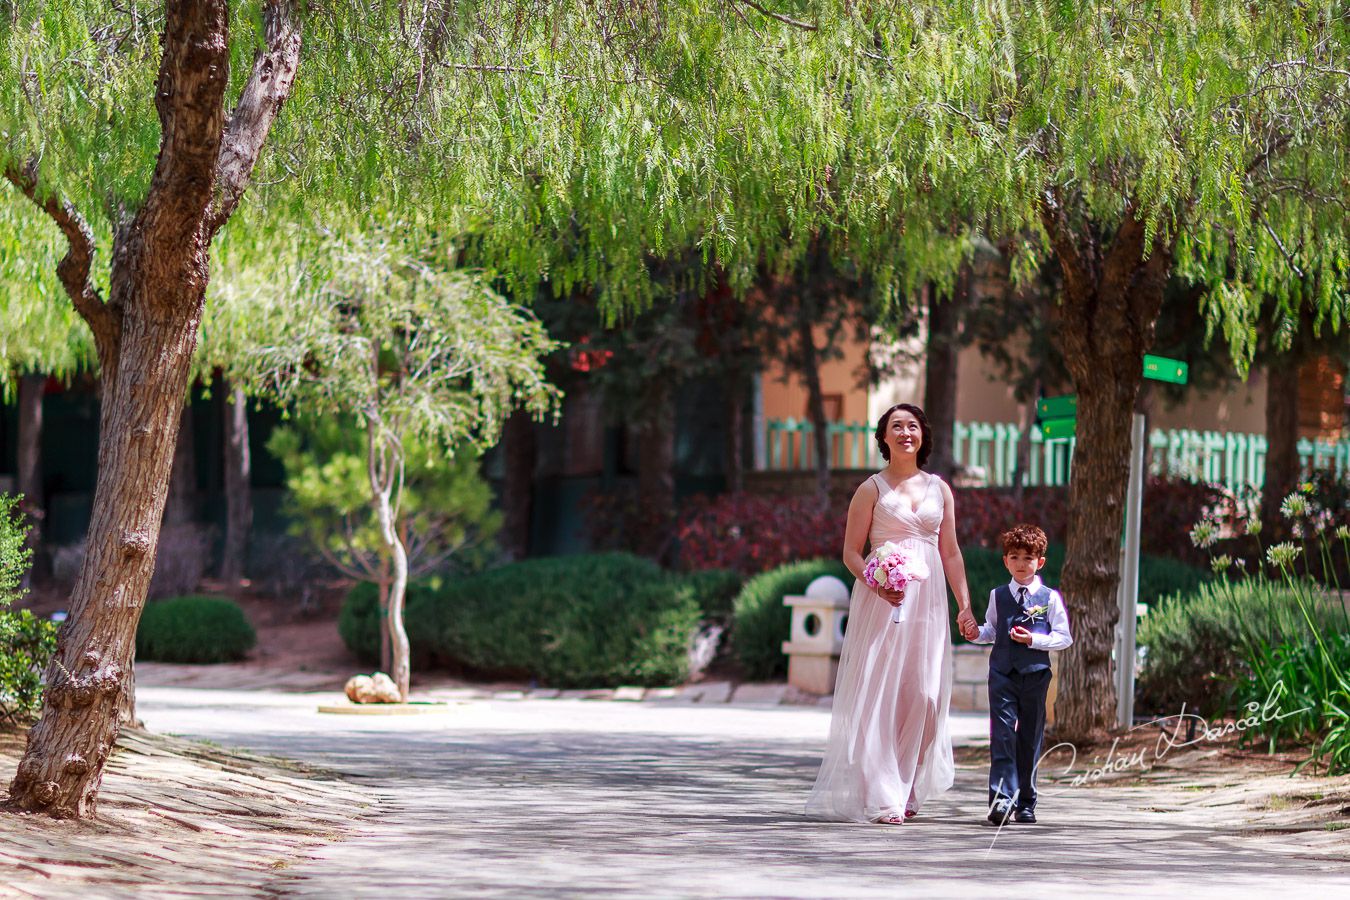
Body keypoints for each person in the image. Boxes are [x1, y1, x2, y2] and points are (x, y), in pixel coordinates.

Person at [805, 403, 980, 824]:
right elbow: (850, 552)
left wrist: (965, 605)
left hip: (931, 602)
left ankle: (909, 781)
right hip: (883, 599)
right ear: (884, 437)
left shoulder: (940, 489)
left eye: (913, 425)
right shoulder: (871, 489)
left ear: (923, 435)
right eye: (896, 426)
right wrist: (876, 583)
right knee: (878, 692)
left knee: (926, 695)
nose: (905, 432)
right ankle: (884, 793)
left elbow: (951, 552)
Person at [966, 523, 1073, 825]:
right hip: (1001, 673)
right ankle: (1001, 801)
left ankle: (1026, 802)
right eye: (1014, 557)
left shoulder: (1049, 598)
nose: (1021, 564)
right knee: (1002, 736)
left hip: (1036, 675)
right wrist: (975, 633)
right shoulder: (997, 595)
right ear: (1005, 561)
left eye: (1028, 558)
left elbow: (1064, 637)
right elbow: (991, 630)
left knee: (1029, 738)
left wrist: (1034, 640)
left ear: (1040, 562)